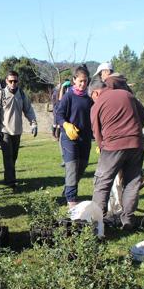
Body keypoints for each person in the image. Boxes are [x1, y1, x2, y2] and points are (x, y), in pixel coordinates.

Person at [89, 79, 144, 231]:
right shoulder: (127, 94)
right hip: (136, 144)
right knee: (132, 182)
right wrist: (132, 130)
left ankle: (97, 221)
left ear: (95, 92)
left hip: (112, 146)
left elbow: (96, 132)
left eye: (92, 97)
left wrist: (102, 147)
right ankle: (128, 219)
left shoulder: (97, 104)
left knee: (102, 183)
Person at [0, 70, 37, 188]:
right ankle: (11, 182)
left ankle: (8, 178)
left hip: (17, 131)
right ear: (6, 81)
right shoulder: (0, 96)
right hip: (4, 131)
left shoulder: (21, 94)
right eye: (10, 81)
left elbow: (28, 110)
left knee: (13, 157)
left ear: (18, 81)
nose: (13, 83)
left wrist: (33, 123)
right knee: (8, 157)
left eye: (15, 81)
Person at [55, 65, 93, 209]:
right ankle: (72, 201)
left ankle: (67, 191)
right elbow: (59, 114)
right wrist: (66, 125)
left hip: (85, 138)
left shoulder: (90, 97)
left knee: (82, 167)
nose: (83, 84)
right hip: (69, 138)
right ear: (74, 80)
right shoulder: (68, 96)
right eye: (80, 81)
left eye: (85, 81)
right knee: (71, 167)